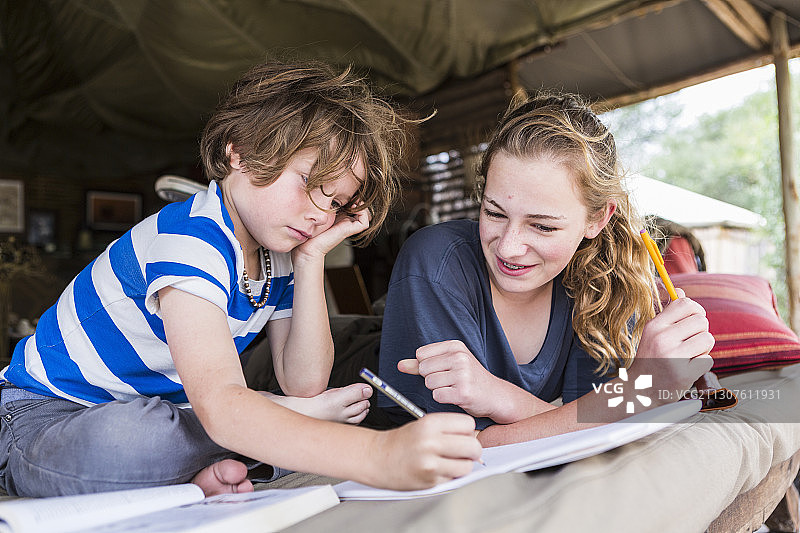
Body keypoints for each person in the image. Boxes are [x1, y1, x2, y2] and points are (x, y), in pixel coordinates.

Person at [0, 60, 481, 497]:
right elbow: (233, 405)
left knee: (204, 422)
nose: (319, 213)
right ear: (242, 152)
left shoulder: (282, 254)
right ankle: (245, 439)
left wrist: (312, 259)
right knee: (129, 441)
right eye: (310, 184)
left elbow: (304, 383)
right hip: (43, 418)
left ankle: (215, 455)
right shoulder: (190, 239)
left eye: (334, 203)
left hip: (176, 415)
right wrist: (376, 455)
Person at [377, 92, 714, 446]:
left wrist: (501, 397)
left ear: (597, 219)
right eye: (494, 212)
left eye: (543, 226)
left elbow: (587, 424)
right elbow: (468, 445)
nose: (508, 247)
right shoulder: (436, 263)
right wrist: (636, 392)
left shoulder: (603, 280)